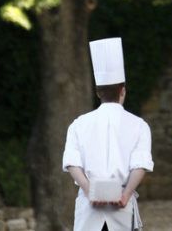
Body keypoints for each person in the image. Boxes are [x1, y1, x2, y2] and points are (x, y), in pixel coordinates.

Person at [63, 37, 154, 231]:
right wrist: (126, 195)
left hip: (89, 209)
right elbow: (140, 165)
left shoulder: (79, 124)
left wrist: (90, 192)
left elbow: (72, 163)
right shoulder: (139, 125)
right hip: (121, 206)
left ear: (97, 92)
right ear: (123, 91)